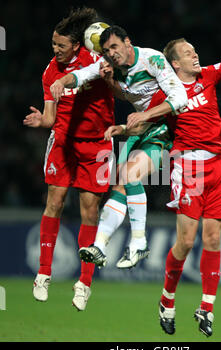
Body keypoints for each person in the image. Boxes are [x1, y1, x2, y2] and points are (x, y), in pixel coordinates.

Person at [125, 28, 221, 336]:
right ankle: (166, 300)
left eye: (194, 50)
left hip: (218, 166)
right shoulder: (166, 95)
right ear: (174, 64)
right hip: (188, 168)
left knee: (213, 240)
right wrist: (121, 129)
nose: (195, 55)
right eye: (187, 53)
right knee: (186, 241)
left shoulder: (208, 76)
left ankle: (207, 308)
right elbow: (141, 126)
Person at [50, 25, 188, 270]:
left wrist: (145, 116)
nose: (111, 53)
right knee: (119, 184)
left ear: (127, 41)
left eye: (115, 47)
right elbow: (81, 75)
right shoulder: (109, 65)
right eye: (106, 50)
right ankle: (100, 246)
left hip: (167, 128)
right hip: (141, 129)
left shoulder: (152, 59)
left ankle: (139, 243)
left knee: (129, 175)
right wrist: (62, 80)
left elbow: (179, 99)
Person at [23, 8, 115, 311]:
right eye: (53, 44)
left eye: (60, 45)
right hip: (63, 141)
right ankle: (44, 273)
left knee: (90, 209)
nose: (55, 50)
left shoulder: (94, 61)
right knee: (55, 200)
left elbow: (116, 71)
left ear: (77, 45)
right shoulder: (50, 71)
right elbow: (51, 117)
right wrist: (42, 120)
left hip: (97, 144)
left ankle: (84, 283)